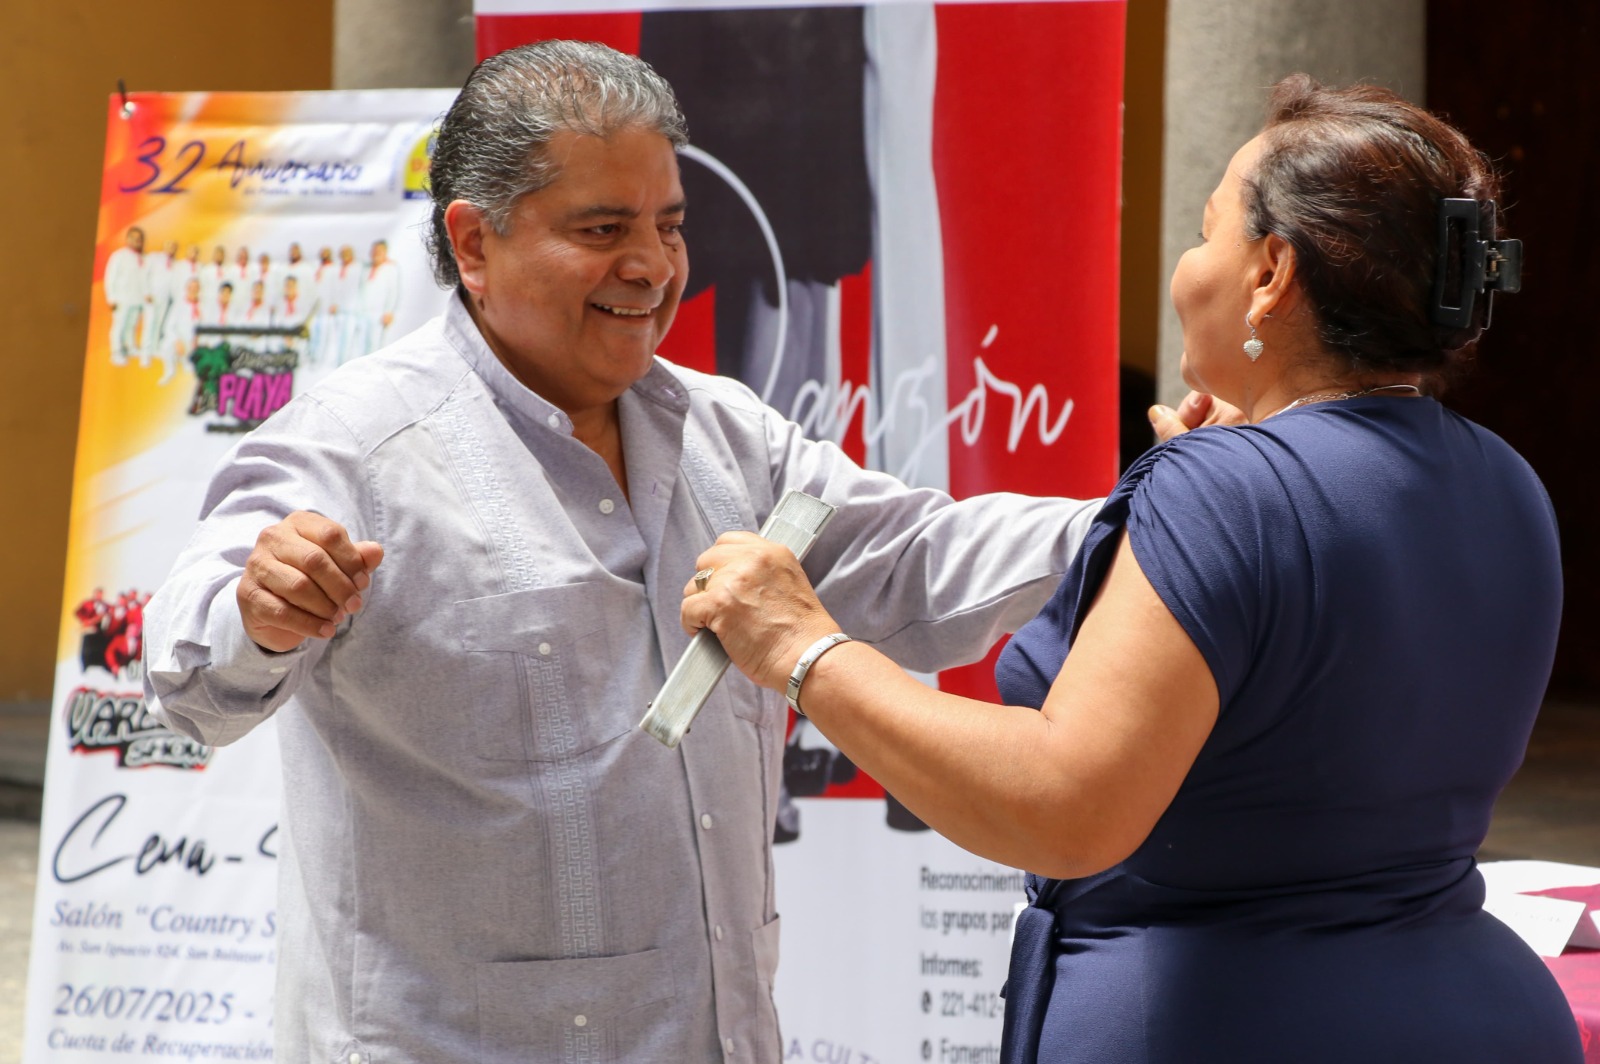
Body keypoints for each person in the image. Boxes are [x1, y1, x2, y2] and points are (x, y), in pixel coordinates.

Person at [142, 40, 1173, 1064]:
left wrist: (1160, 505)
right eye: (602, 229)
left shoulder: (724, 431)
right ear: (472, 242)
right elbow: (189, 669)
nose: (651, 264)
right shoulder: (358, 443)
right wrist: (261, 609)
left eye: (669, 226)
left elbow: (914, 555)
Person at [684, 75, 1580, 1063]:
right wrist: (1215, 484)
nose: (1186, 265)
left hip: (1232, 1022)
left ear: (1271, 272)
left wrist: (804, 647)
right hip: (1477, 1013)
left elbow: (1066, 808)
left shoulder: (1225, 488)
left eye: (1206, 230)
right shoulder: (1505, 481)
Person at [104, 226, 147, 365]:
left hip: (137, 298)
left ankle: (130, 348)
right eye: (133, 238)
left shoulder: (143, 257)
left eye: (139, 239)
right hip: (121, 298)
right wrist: (111, 297)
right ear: (128, 239)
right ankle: (116, 352)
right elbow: (110, 277)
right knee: (119, 326)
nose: (136, 241)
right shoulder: (119, 256)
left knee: (132, 325)